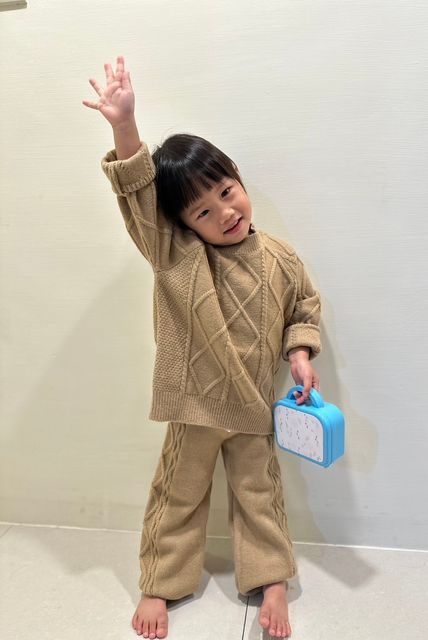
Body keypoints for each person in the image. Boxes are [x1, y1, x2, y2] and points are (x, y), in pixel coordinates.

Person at [83, 55, 322, 640]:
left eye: (227, 191)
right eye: (203, 211)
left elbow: (303, 309)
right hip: (193, 405)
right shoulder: (178, 257)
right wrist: (124, 127)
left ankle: (270, 580)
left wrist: (299, 355)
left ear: (237, 176)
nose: (226, 213)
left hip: (252, 408)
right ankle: (160, 583)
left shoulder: (281, 257)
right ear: (183, 225)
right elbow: (142, 200)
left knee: (259, 495)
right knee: (179, 496)